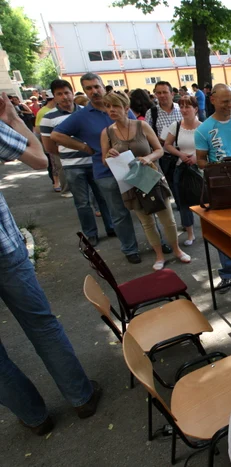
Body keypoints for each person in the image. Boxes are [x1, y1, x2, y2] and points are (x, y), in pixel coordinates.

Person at [0, 91, 102, 436]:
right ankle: (81, 397)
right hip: (4, 251)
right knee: (41, 326)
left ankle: (34, 417)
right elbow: (40, 160)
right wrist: (14, 120)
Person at [51, 73, 143, 264]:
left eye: (96, 86)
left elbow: (139, 131)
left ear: (103, 86)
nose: (94, 91)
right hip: (106, 172)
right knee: (119, 213)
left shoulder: (122, 108)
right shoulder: (81, 116)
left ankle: (158, 243)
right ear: (84, 91)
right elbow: (56, 135)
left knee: (146, 207)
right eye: (88, 89)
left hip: (133, 168)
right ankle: (130, 249)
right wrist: (85, 147)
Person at [100, 91, 191, 271]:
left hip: (151, 177)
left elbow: (160, 150)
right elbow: (104, 159)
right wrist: (109, 154)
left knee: (168, 219)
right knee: (146, 222)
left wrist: (149, 157)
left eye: (115, 106)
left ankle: (177, 249)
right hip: (130, 183)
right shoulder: (107, 133)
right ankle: (158, 255)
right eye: (108, 106)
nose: (111, 110)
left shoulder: (141, 126)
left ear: (126, 108)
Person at [195, 84, 231, 291]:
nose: (230, 105)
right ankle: (228, 273)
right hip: (218, 187)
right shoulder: (203, 129)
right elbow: (200, 160)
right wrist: (218, 167)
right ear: (212, 100)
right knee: (223, 232)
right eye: (225, 101)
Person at [40, 79, 114, 246]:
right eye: (59, 94)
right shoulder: (48, 118)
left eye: (67, 92)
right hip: (72, 166)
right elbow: (49, 146)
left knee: (103, 197)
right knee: (82, 202)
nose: (64, 97)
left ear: (72, 93)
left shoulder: (85, 111)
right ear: (55, 97)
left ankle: (111, 227)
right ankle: (91, 233)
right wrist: (72, 151)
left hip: (93, 162)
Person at [163, 95, 199, 246]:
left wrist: (197, 156)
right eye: (181, 106)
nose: (184, 110)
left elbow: (210, 146)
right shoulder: (176, 125)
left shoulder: (203, 126)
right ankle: (190, 234)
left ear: (195, 109)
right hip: (181, 168)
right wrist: (180, 154)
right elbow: (167, 144)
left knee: (204, 200)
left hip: (199, 169)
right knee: (183, 202)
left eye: (187, 107)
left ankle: (211, 231)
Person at [146, 81, 182, 213]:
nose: (162, 95)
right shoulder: (152, 112)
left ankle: (186, 206)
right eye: (158, 93)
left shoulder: (181, 108)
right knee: (172, 183)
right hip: (165, 155)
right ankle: (181, 207)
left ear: (172, 93)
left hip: (183, 152)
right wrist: (160, 141)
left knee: (186, 183)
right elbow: (147, 133)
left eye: (165, 92)